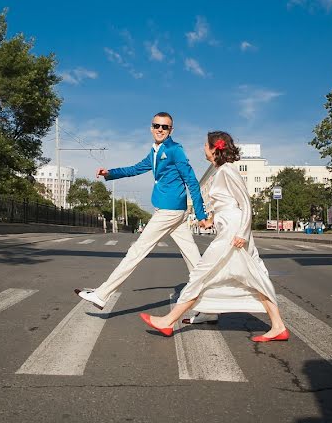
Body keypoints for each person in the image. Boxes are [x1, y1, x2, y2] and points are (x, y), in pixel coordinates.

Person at [139, 131, 289, 342]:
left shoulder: (227, 171)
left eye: (205, 145)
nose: (203, 148)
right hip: (228, 228)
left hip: (233, 232)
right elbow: (224, 203)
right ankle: (278, 326)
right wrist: (210, 220)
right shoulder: (220, 171)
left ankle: (167, 321)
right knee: (253, 276)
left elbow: (245, 204)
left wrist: (242, 233)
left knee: (202, 273)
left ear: (214, 148)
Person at [74, 112, 214, 322]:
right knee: (194, 259)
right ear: (150, 127)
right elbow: (136, 168)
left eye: (164, 127)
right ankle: (211, 308)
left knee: (137, 250)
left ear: (171, 131)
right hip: (171, 211)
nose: (159, 129)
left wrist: (201, 214)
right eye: (156, 125)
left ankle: (102, 294)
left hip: (169, 210)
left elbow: (192, 181)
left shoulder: (175, 150)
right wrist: (109, 173)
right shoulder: (155, 151)